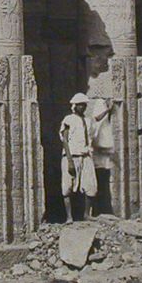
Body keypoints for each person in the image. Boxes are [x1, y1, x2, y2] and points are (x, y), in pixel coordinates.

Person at [59, 93, 98, 222]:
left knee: (91, 185)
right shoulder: (68, 119)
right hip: (71, 156)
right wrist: (70, 160)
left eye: (84, 105)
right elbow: (65, 140)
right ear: (74, 106)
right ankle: (69, 217)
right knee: (67, 186)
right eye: (80, 104)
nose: (82, 107)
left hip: (85, 155)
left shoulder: (88, 121)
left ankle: (87, 214)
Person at [89, 91, 115, 217]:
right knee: (95, 185)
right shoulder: (98, 109)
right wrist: (107, 110)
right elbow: (97, 118)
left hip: (103, 157)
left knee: (103, 184)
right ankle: (94, 212)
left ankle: (103, 211)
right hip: (96, 156)